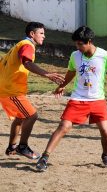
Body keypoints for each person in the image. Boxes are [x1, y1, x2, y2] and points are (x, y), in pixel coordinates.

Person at [36, 26, 107, 171]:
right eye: (76, 44)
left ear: (89, 41)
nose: (77, 47)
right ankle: (44, 157)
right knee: (64, 127)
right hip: (78, 99)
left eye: (80, 44)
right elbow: (71, 72)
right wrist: (62, 85)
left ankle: (106, 155)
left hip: (97, 100)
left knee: (106, 132)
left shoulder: (104, 56)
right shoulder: (75, 55)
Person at [0, 22, 65, 159]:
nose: (44, 36)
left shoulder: (18, 45)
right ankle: (22, 147)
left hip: (8, 89)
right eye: (41, 33)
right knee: (32, 116)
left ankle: (12, 147)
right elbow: (27, 62)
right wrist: (46, 74)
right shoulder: (27, 45)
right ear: (32, 34)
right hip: (12, 91)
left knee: (20, 117)